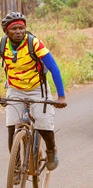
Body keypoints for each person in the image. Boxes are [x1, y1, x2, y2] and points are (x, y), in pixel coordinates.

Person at [1, 12, 67, 171]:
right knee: (12, 127)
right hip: (15, 88)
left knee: (44, 124)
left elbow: (54, 68)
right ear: (6, 32)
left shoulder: (34, 43)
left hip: (38, 88)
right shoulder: (3, 45)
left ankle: (51, 151)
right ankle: (15, 168)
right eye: (14, 29)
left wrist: (61, 96)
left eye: (21, 28)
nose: (18, 32)